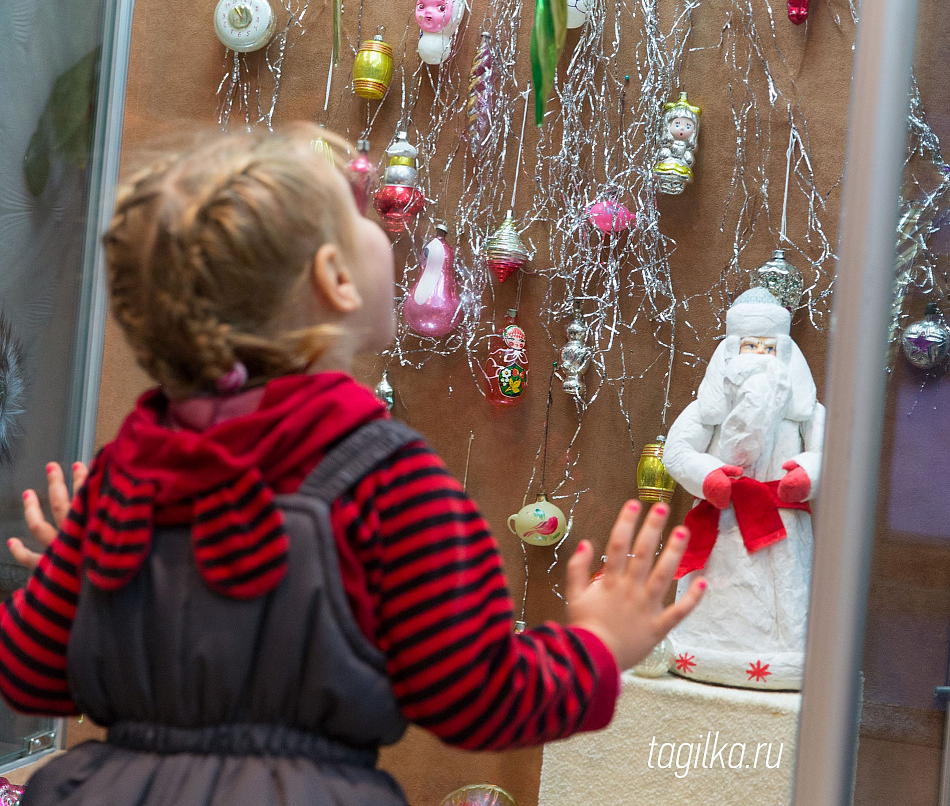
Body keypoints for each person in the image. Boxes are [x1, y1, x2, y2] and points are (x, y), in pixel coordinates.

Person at [0, 125, 704, 806]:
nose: (385, 223)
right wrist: (599, 647)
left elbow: (29, 671)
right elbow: (479, 700)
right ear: (335, 279)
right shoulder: (390, 481)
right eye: (362, 212)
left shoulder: (127, 478)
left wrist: (83, 571)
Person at [662, 286, 824, 689]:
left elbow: (834, 453)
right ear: (731, 349)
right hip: (722, 526)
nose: (757, 356)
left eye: (767, 346)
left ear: (786, 352)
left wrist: (806, 474)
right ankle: (700, 648)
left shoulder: (807, 411)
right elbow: (678, 450)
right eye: (748, 345)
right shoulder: (707, 410)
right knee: (717, 595)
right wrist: (707, 476)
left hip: (781, 527)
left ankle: (781, 660)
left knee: (780, 596)